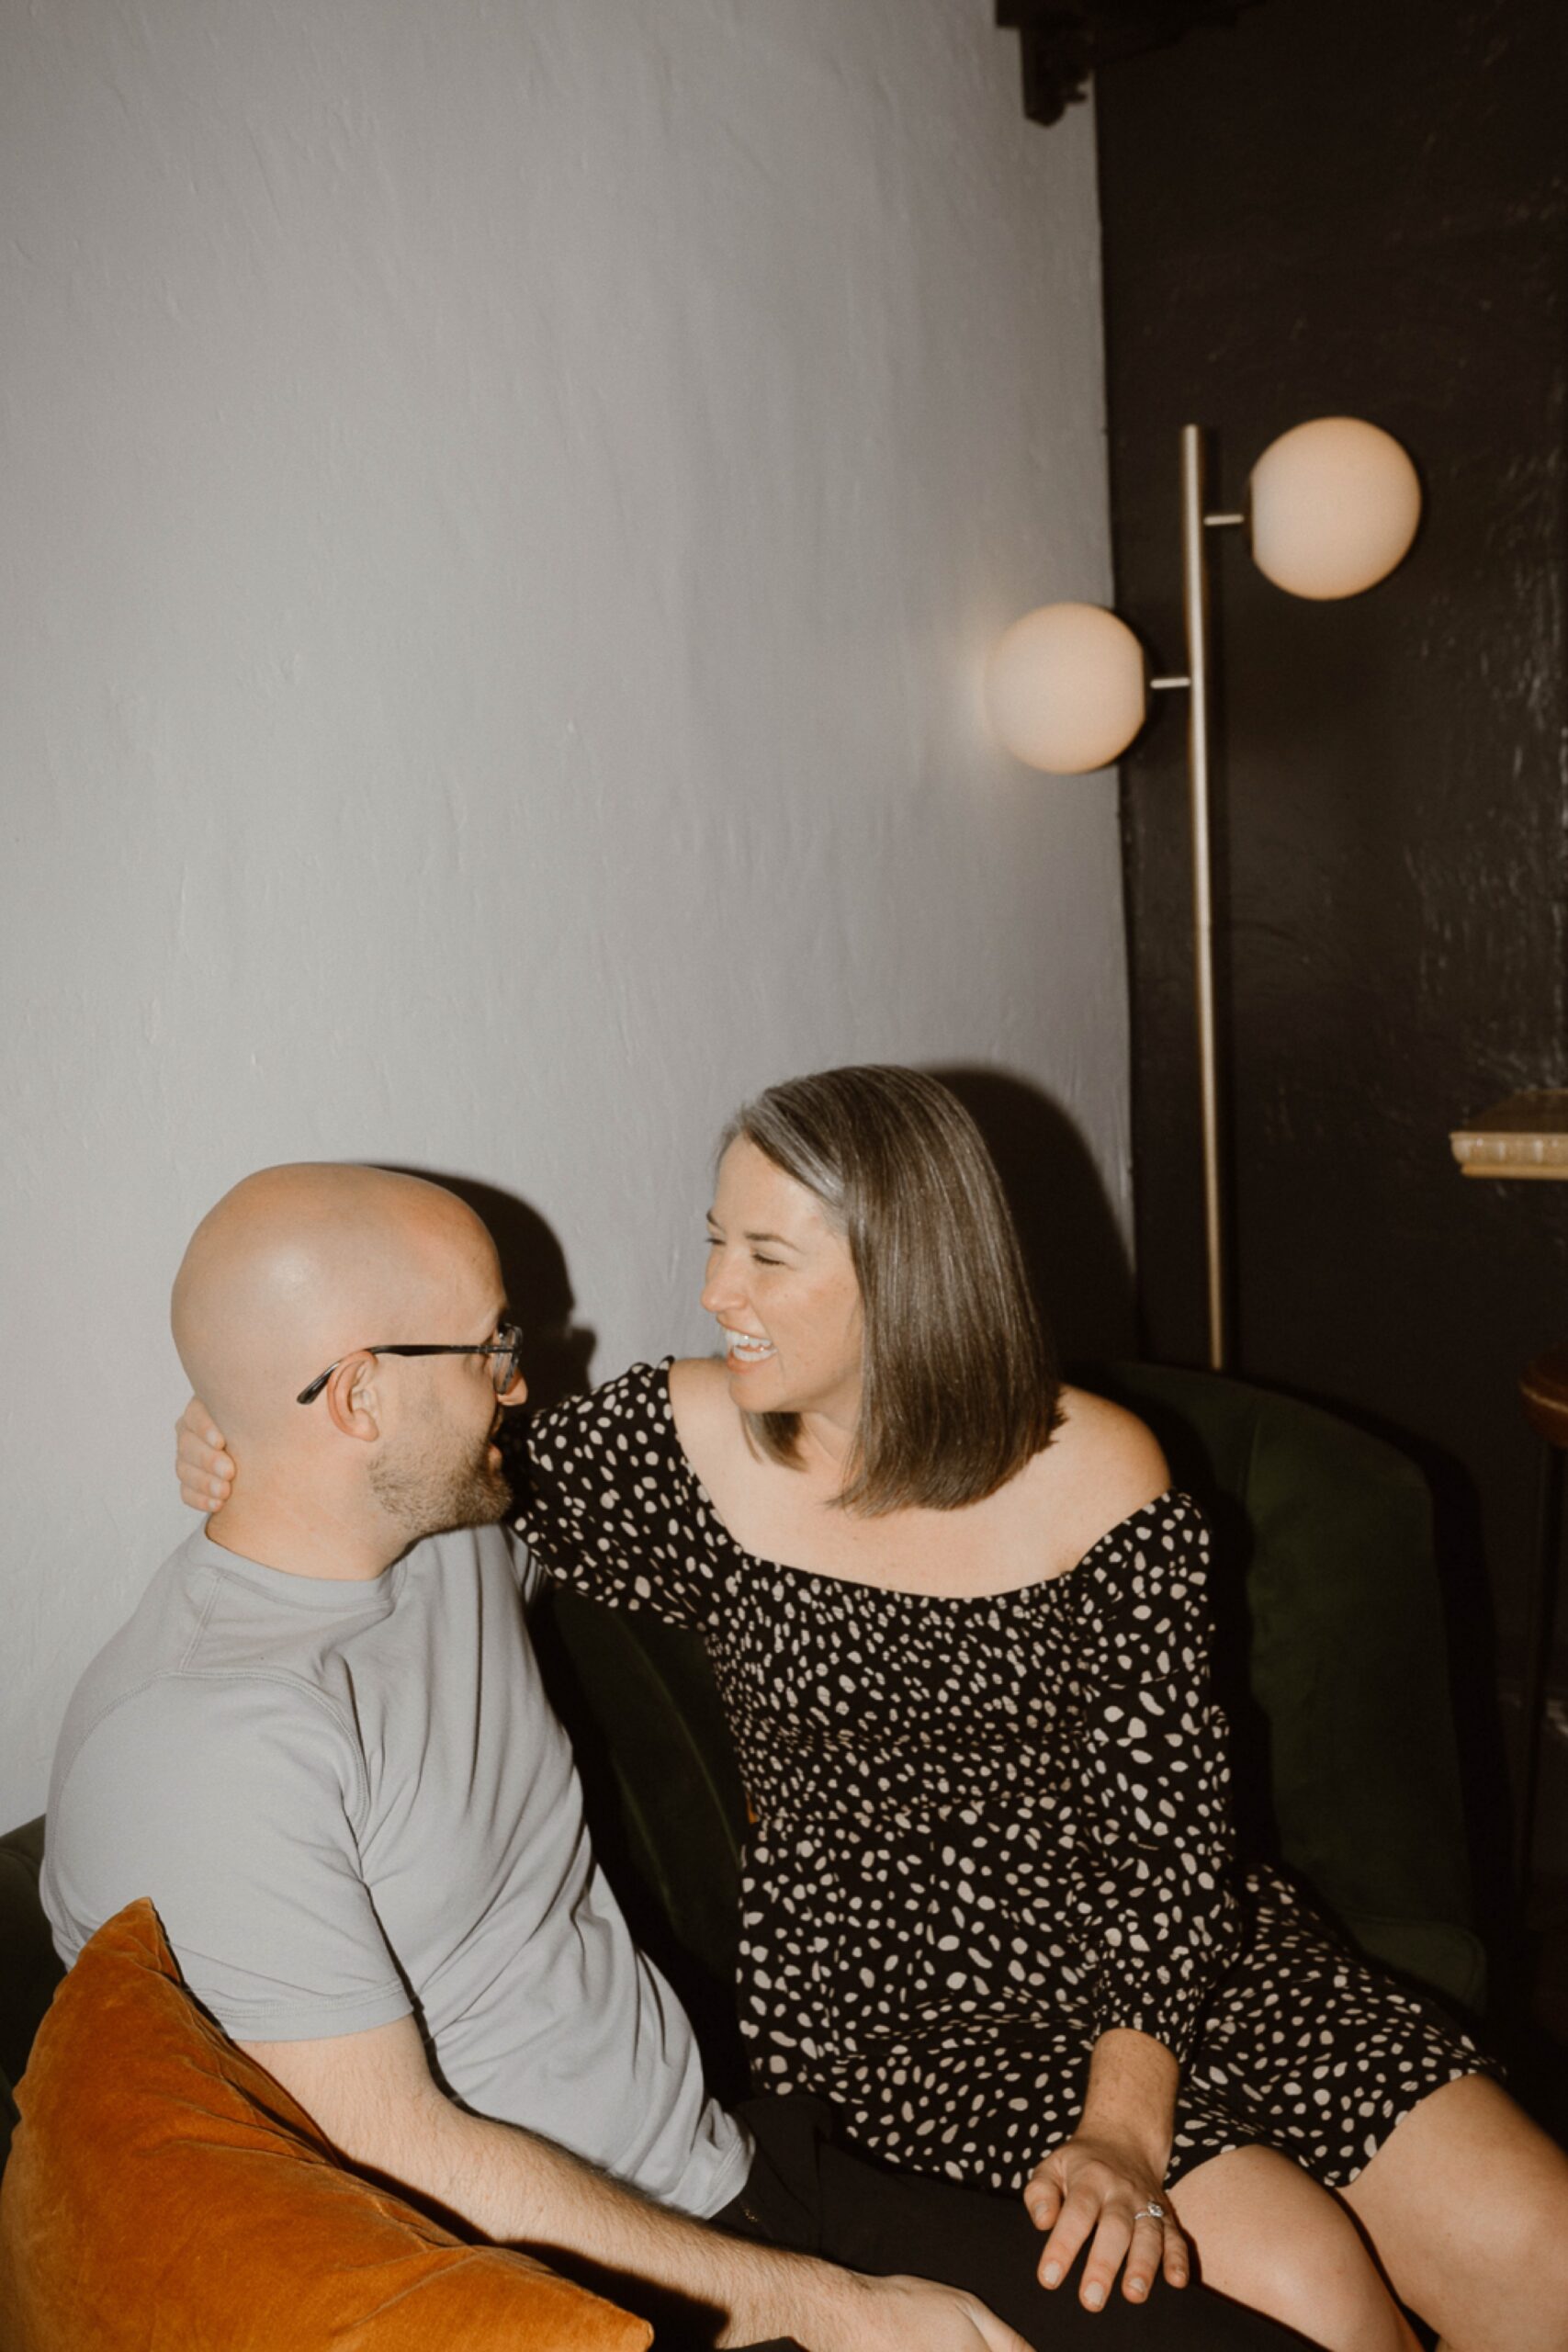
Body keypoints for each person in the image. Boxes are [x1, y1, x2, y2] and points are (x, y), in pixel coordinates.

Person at [175, 1067, 1568, 2352]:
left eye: (768, 1257)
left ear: (909, 1275)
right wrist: (234, 1432)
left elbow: (1171, 1847)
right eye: (715, 1238)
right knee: (1307, 2281)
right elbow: (413, 1457)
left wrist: (1126, 2129)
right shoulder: (677, 1447)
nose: (717, 1290)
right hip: (899, 2009)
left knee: (1539, 2244)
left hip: (1175, 1952)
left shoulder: (1106, 1476)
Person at [50, 1161, 1293, 2352]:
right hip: (564, 2294)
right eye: (490, 1346)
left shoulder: (437, 1528)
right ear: (362, 1397)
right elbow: (399, 2160)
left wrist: (250, 1431)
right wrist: (842, 2314)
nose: (520, 1382)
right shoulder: (202, 1750)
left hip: (737, 2173)